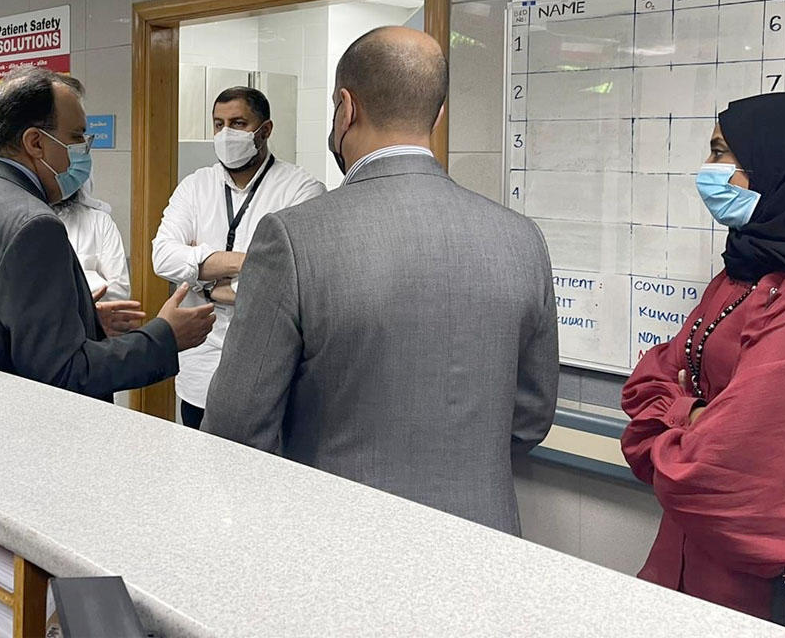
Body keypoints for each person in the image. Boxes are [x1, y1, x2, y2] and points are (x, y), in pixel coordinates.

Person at [203, 26, 558, 534]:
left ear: (346, 109)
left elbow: (236, 424)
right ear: (438, 114)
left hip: (340, 539)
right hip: (486, 541)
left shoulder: (294, 237)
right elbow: (530, 418)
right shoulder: (522, 238)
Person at [0, 66, 216, 399]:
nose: (84, 150)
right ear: (35, 143)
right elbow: (65, 373)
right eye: (76, 137)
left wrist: (82, 319)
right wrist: (164, 337)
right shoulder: (33, 224)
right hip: (18, 419)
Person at [621, 92, 785, 621]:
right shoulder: (737, 274)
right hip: (678, 564)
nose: (708, 168)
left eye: (721, 152)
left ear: (777, 163)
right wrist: (695, 415)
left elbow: (718, 465)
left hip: (754, 590)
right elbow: (645, 383)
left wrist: (680, 415)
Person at [152, 87, 325, 429]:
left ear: (265, 130)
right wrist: (250, 262)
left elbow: (293, 281)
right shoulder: (195, 186)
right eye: (219, 124)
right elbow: (163, 257)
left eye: (238, 123)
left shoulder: (301, 190)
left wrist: (202, 279)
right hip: (199, 371)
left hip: (269, 376)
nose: (226, 133)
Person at [56, 181, 132, 305]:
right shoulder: (28, 220)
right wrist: (93, 280)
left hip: (95, 318)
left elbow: (119, 293)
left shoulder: (100, 221)